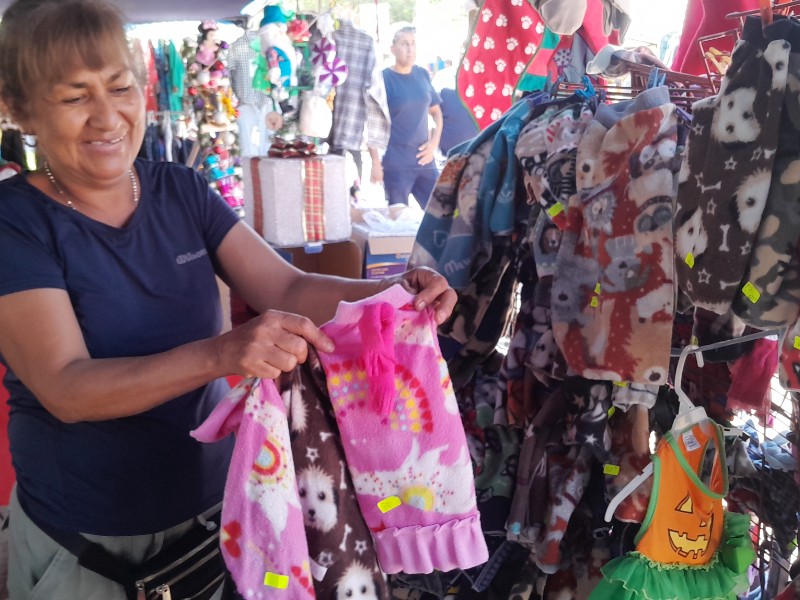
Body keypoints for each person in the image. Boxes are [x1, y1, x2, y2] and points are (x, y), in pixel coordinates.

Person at [0, 1, 456, 599]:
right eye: (74, 96)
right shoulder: (16, 224)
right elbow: (65, 387)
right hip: (89, 540)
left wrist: (393, 290)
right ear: (19, 110)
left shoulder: (180, 190)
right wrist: (222, 354)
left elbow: (287, 286)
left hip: (219, 514)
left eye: (120, 87)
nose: (107, 116)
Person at [368, 26, 442, 209]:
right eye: (404, 44)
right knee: (398, 221)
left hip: (425, 161)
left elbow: (436, 112)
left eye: (413, 44)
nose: (410, 49)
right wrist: (375, 163)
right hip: (396, 163)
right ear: (392, 49)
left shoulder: (422, 74)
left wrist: (433, 144)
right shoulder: (383, 79)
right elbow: (372, 123)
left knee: (439, 214)